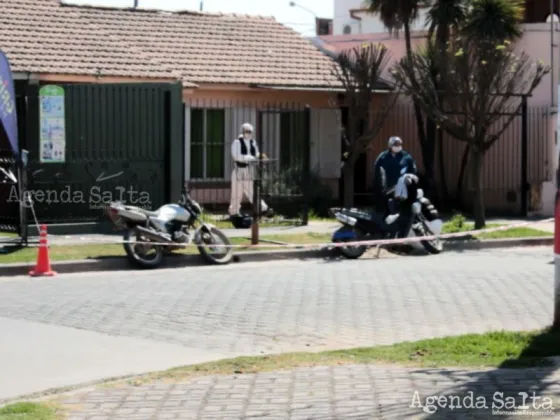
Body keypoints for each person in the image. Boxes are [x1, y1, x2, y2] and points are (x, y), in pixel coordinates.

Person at [228, 123, 273, 217]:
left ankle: (263, 209)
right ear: (243, 131)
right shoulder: (237, 142)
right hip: (238, 170)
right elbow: (236, 156)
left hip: (248, 170)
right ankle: (234, 212)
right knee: (236, 193)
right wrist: (250, 157)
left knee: (252, 192)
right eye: (246, 131)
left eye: (250, 131)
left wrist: (261, 156)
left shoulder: (253, 142)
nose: (248, 133)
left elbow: (256, 153)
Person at [372, 136, 418, 221]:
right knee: (383, 209)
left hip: (403, 187)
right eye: (396, 144)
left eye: (400, 144)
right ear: (390, 145)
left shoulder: (407, 157)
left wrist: (409, 177)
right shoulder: (382, 157)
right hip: (387, 188)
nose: (398, 146)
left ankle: (411, 218)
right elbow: (376, 172)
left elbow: (413, 171)